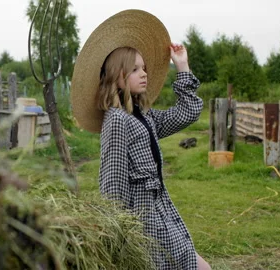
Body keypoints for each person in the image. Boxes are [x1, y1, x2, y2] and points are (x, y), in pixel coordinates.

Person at [71, 10, 211, 270]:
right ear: (117, 76)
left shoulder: (144, 116)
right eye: (135, 69)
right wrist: (120, 238)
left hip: (162, 213)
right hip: (142, 224)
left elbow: (188, 112)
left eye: (144, 68)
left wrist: (182, 66)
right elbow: (112, 184)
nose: (144, 73)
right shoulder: (116, 122)